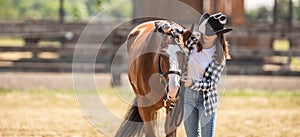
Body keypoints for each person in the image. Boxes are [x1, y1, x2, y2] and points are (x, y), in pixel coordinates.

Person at [181, 12, 233, 137]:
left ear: (218, 35)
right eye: (206, 31)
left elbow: (211, 83)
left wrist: (193, 83)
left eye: (211, 33)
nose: (206, 36)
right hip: (188, 97)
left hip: (207, 100)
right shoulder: (192, 43)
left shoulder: (219, 57)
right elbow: (178, 36)